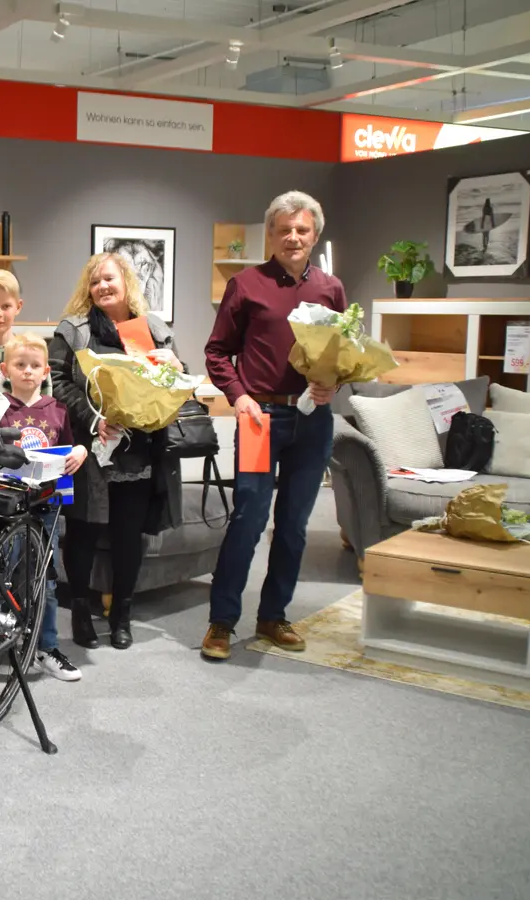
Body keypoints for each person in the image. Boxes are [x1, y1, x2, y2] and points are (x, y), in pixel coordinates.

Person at [200, 191, 344, 661]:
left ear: (315, 235)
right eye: (284, 230)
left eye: (302, 230)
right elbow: (217, 352)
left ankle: (272, 615)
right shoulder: (246, 285)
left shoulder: (331, 289)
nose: (293, 237)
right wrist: (239, 398)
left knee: (294, 525)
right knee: (248, 519)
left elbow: (342, 354)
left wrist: (333, 384)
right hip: (260, 419)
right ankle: (221, 622)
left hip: (313, 420)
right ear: (271, 235)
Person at [49, 252, 187, 651]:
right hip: (88, 448)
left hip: (138, 451)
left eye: (109, 279)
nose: (102, 287)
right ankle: (79, 610)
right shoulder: (73, 329)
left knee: (129, 536)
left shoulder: (153, 329)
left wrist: (176, 365)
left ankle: (121, 615)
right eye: (95, 282)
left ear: (126, 280)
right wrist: (94, 419)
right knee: (83, 534)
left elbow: (172, 385)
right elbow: (58, 382)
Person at [0, 332, 85, 682]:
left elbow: (70, 449)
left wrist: (79, 452)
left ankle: (45, 647)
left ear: (46, 370)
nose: (28, 371)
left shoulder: (57, 410)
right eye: (20, 365)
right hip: (6, 506)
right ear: (6, 368)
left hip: (46, 507)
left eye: (34, 366)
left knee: (45, 581)